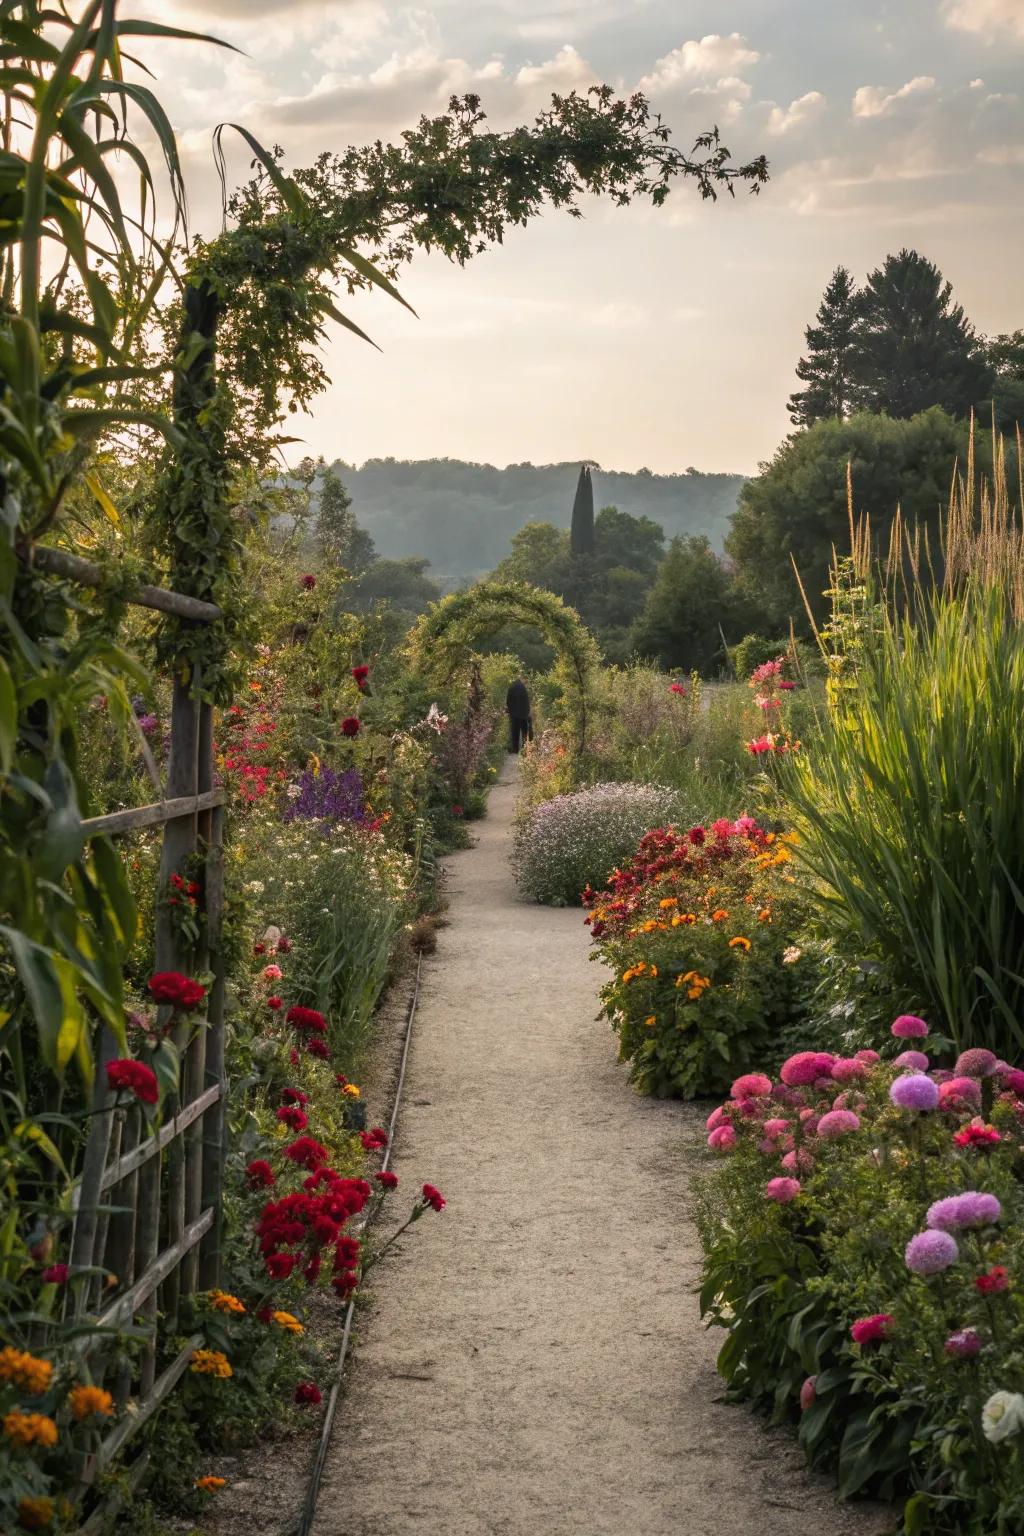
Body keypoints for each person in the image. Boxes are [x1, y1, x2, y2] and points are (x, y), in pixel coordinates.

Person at [506, 677, 533, 753]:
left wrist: (509, 710)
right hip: (524, 714)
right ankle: (525, 749)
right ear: (522, 679)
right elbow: (527, 702)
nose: (525, 682)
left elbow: (508, 700)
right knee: (525, 731)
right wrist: (528, 712)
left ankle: (515, 749)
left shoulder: (512, 687)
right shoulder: (523, 688)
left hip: (514, 714)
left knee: (515, 732)